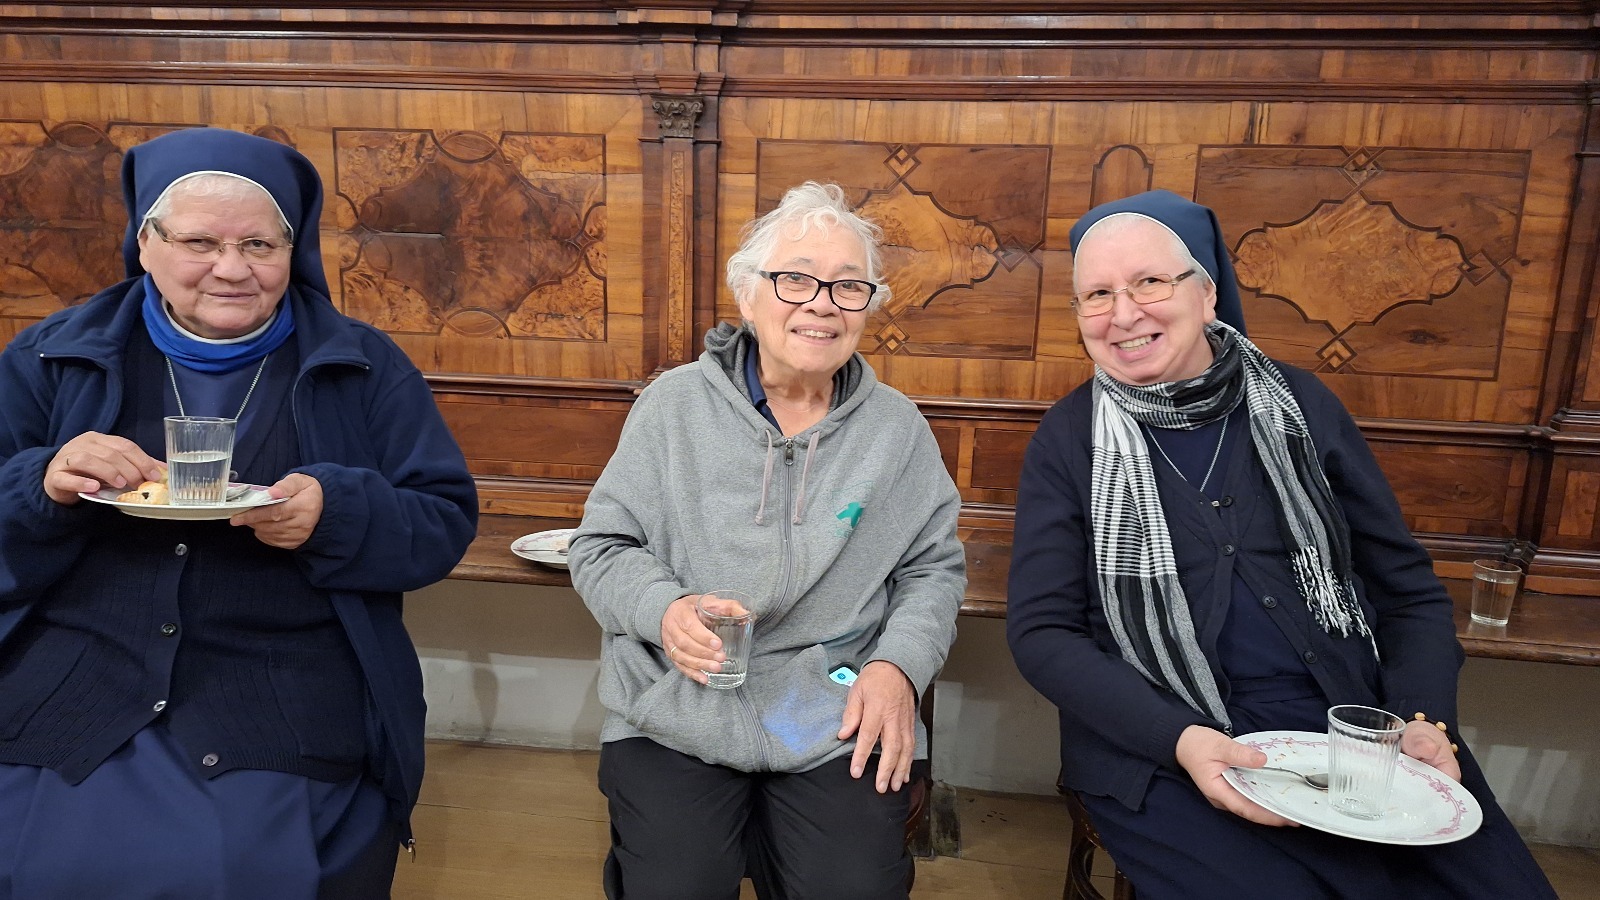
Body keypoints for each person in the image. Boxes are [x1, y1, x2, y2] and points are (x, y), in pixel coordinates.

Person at [1005, 190, 1557, 899]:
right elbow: (1044, 633)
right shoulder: (1068, 440)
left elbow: (1408, 594)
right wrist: (1181, 739)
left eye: (1149, 282)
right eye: (1097, 295)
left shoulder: (1303, 406)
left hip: (1350, 724)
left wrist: (1422, 721)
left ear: (1207, 293)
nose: (1124, 313)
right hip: (1164, 740)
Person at [0, 127, 478, 897]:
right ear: (146, 243)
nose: (231, 269)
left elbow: (441, 523)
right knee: (41, 855)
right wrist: (42, 484)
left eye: (259, 244)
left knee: (243, 867)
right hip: (79, 661)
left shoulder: (362, 365)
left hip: (281, 674)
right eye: (200, 242)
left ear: (294, 249)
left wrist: (335, 514)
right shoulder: (51, 356)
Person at [569, 181, 966, 900]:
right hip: (679, 701)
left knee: (853, 888)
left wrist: (897, 667)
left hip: (833, 705)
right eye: (796, 280)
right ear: (748, 297)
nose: (822, 304)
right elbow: (601, 548)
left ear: (867, 308)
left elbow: (932, 572)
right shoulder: (671, 408)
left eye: (848, 286)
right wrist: (664, 610)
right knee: (676, 886)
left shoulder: (897, 430)